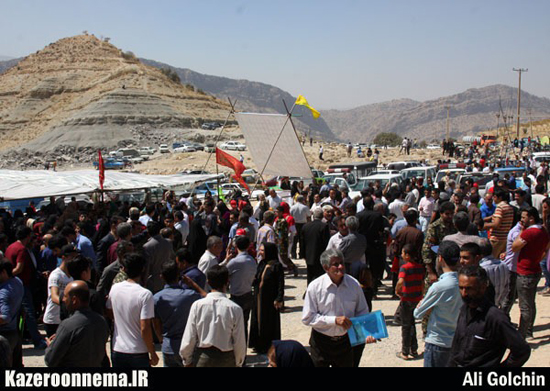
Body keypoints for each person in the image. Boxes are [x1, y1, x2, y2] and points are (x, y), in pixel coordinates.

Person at [302, 249, 376, 367]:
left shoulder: (354, 284)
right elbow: (308, 318)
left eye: (341, 262)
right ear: (326, 267)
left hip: (345, 343)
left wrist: (367, 332)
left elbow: (362, 311)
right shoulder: (315, 287)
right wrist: (334, 320)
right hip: (321, 343)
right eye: (335, 264)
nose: (341, 266)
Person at [448, 266, 531, 367]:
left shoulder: (495, 317)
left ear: (483, 287)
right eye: (461, 288)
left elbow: (522, 350)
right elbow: (456, 348)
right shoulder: (464, 310)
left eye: (469, 289)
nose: (464, 293)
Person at [179, 265, 246, 367]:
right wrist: (239, 362)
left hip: (203, 357)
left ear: (208, 282)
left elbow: (190, 336)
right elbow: (239, 341)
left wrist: (186, 360)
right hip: (226, 359)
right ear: (227, 282)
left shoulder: (197, 306)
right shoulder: (235, 309)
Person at [413, 241, 462, 367]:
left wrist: (428, 305)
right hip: (457, 342)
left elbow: (418, 313)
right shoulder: (464, 283)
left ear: (440, 258)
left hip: (438, 342)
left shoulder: (439, 287)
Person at [106, 253, 159, 368]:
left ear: (124, 269)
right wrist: (152, 352)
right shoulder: (145, 294)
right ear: (143, 269)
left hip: (118, 349)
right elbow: (144, 327)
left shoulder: (115, 289)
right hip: (138, 351)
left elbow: (109, 311)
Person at [44, 281, 109, 367]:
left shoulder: (68, 325)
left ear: (74, 300)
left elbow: (50, 360)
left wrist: (51, 345)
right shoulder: (101, 321)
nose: (63, 299)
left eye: (66, 296)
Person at [153, 261, 201, 367]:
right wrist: (193, 284)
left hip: (168, 346)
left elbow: (156, 324)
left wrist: (161, 339)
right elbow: (207, 297)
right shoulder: (191, 295)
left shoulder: (156, 298)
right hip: (188, 346)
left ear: (162, 277)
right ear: (179, 276)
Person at [4, 226, 46, 349]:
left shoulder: (10, 247)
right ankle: (37, 340)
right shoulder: (21, 249)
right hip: (22, 286)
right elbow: (19, 268)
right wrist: (10, 276)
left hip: (11, 286)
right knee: (29, 313)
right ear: (27, 236)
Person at [511, 207, 550, 339]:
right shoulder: (543, 231)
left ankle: (521, 335)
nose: (522, 220)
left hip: (525, 272)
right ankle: (529, 331)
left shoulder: (529, 233)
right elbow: (546, 248)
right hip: (535, 270)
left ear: (531, 218)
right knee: (531, 303)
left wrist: (522, 231)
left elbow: (514, 246)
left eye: (524, 217)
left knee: (524, 306)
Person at [249, 243, 284, 354]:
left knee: (268, 322)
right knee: (257, 320)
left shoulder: (276, 266)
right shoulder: (262, 263)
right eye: (260, 250)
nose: (260, 252)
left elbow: (280, 283)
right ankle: (258, 344)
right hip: (258, 297)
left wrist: (279, 298)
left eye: (263, 250)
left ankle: (268, 345)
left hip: (269, 300)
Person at [225, 235, 257, 343]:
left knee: (233, 327)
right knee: (244, 324)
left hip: (236, 297)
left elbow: (224, 275)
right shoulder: (252, 261)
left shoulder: (234, 263)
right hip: (248, 295)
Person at [395, 244, 424, 360]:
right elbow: (422, 283)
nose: (401, 255)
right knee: (412, 324)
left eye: (402, 253)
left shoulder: (405, 267)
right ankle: (414, 349)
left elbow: (401, 281)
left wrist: (397, 290)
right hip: (416, 299)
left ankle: (405, 352)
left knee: (406, 326)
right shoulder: (420, 267)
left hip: (406, 300)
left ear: (407, 255)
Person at [43, 244, 75, 337]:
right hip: (53, 320)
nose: (74, 259)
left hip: (65, 319)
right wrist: (69, 305)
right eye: (72, 257)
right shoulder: (56, 275)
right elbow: (54, 297)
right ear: (64, 257)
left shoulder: (72, 275)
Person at [0, 259, 23, 367]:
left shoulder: (4, 293)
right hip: (15, 332)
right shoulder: (17, 281)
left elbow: (4, 317)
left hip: (4, 336)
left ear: (4, 272)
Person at [301, 209, 331, 285]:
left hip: (309, 255)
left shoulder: (305, 226)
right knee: (320, 276)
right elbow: (326, 242)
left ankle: (309, 290)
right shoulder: (324, 226)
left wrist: (302, 254)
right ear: (322, 216)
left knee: (310, 275)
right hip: (320, 255)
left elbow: (302, 242)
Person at [483, 188, 514, 258]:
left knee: (491, 259)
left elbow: (496, 224)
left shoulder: (500, 207)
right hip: (504, 238)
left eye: (494, 197)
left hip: (496, 238)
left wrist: (484, 226)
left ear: (499, 198)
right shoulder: (509, 207)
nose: (493, 199)